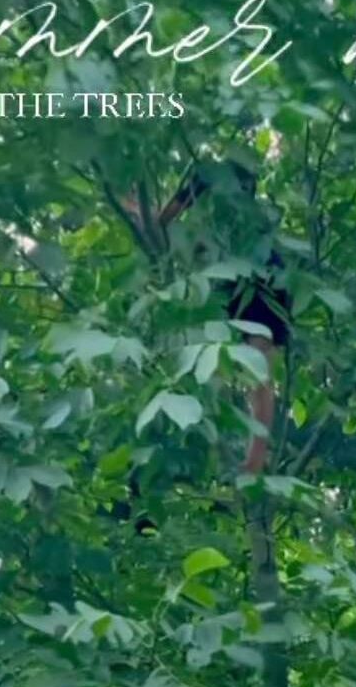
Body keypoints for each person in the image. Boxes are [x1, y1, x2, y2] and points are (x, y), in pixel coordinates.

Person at [121, 157, 292, 473]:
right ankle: (240, 451)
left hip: (259, 276)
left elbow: (161, 221)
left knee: (257, 370)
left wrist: (133, 206)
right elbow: (163, 223)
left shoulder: (207, 179)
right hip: (246, 274)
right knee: (243, 368)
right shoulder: (222, 191)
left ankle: (253, 460)